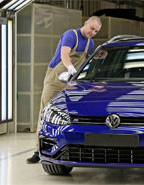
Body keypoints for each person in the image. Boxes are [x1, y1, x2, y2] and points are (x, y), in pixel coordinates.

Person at [26, 16, 102, 164]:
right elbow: (64, 54)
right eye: (92, 28)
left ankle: (69, 148)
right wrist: (70, 67)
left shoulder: (90, 43)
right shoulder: (71, 35)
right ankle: (38, 151)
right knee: (45, 112)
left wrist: (97, 58)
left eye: (96, 31)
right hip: (55, 79)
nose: (93, 32)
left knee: (70, 115)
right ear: (86, 23)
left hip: (71, 83)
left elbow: (85, 60)